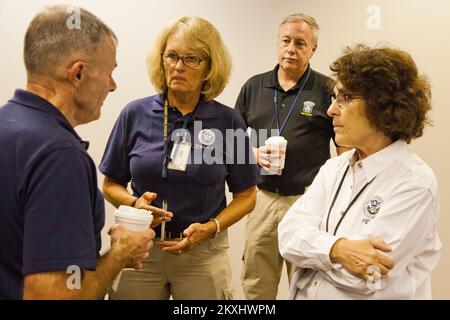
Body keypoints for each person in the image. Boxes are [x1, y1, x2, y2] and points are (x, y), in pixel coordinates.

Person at [0, 6, 156, 300]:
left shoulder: (8, 125)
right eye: (110, 72)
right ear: (79, 73)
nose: (113, 85)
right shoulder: (59, 155)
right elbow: (51, 296)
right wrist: (120, 254)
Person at [99, 16, 260, 300]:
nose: (178, 66)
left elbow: (247, 195)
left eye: (191, 59)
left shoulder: (228, 121)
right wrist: (136, 204)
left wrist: (212, 228)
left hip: (203, 254)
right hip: (141, 249)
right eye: (172, 56)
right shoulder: (134, 114)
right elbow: (110, 184)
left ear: (210, 66)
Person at [278, 44, 442, 299]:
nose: (331, 109)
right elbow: (287, 236)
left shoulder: (415, 182)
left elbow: (367, 276)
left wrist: (312, 253)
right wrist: (337, 249)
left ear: (382, 105)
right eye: (334, 98)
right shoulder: (335, 167)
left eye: (344, 97)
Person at [235, 13, 343, 299]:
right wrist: (253, 153)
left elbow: (345, 149)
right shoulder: (253, 87)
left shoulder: (327, 90)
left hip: (308, 201)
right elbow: (231, 143)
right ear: (277, 43)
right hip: (262, 200)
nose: (291, 49)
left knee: (307, 286)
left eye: (300, 43)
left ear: (313, 50)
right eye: (285, 41)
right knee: (257, 285)